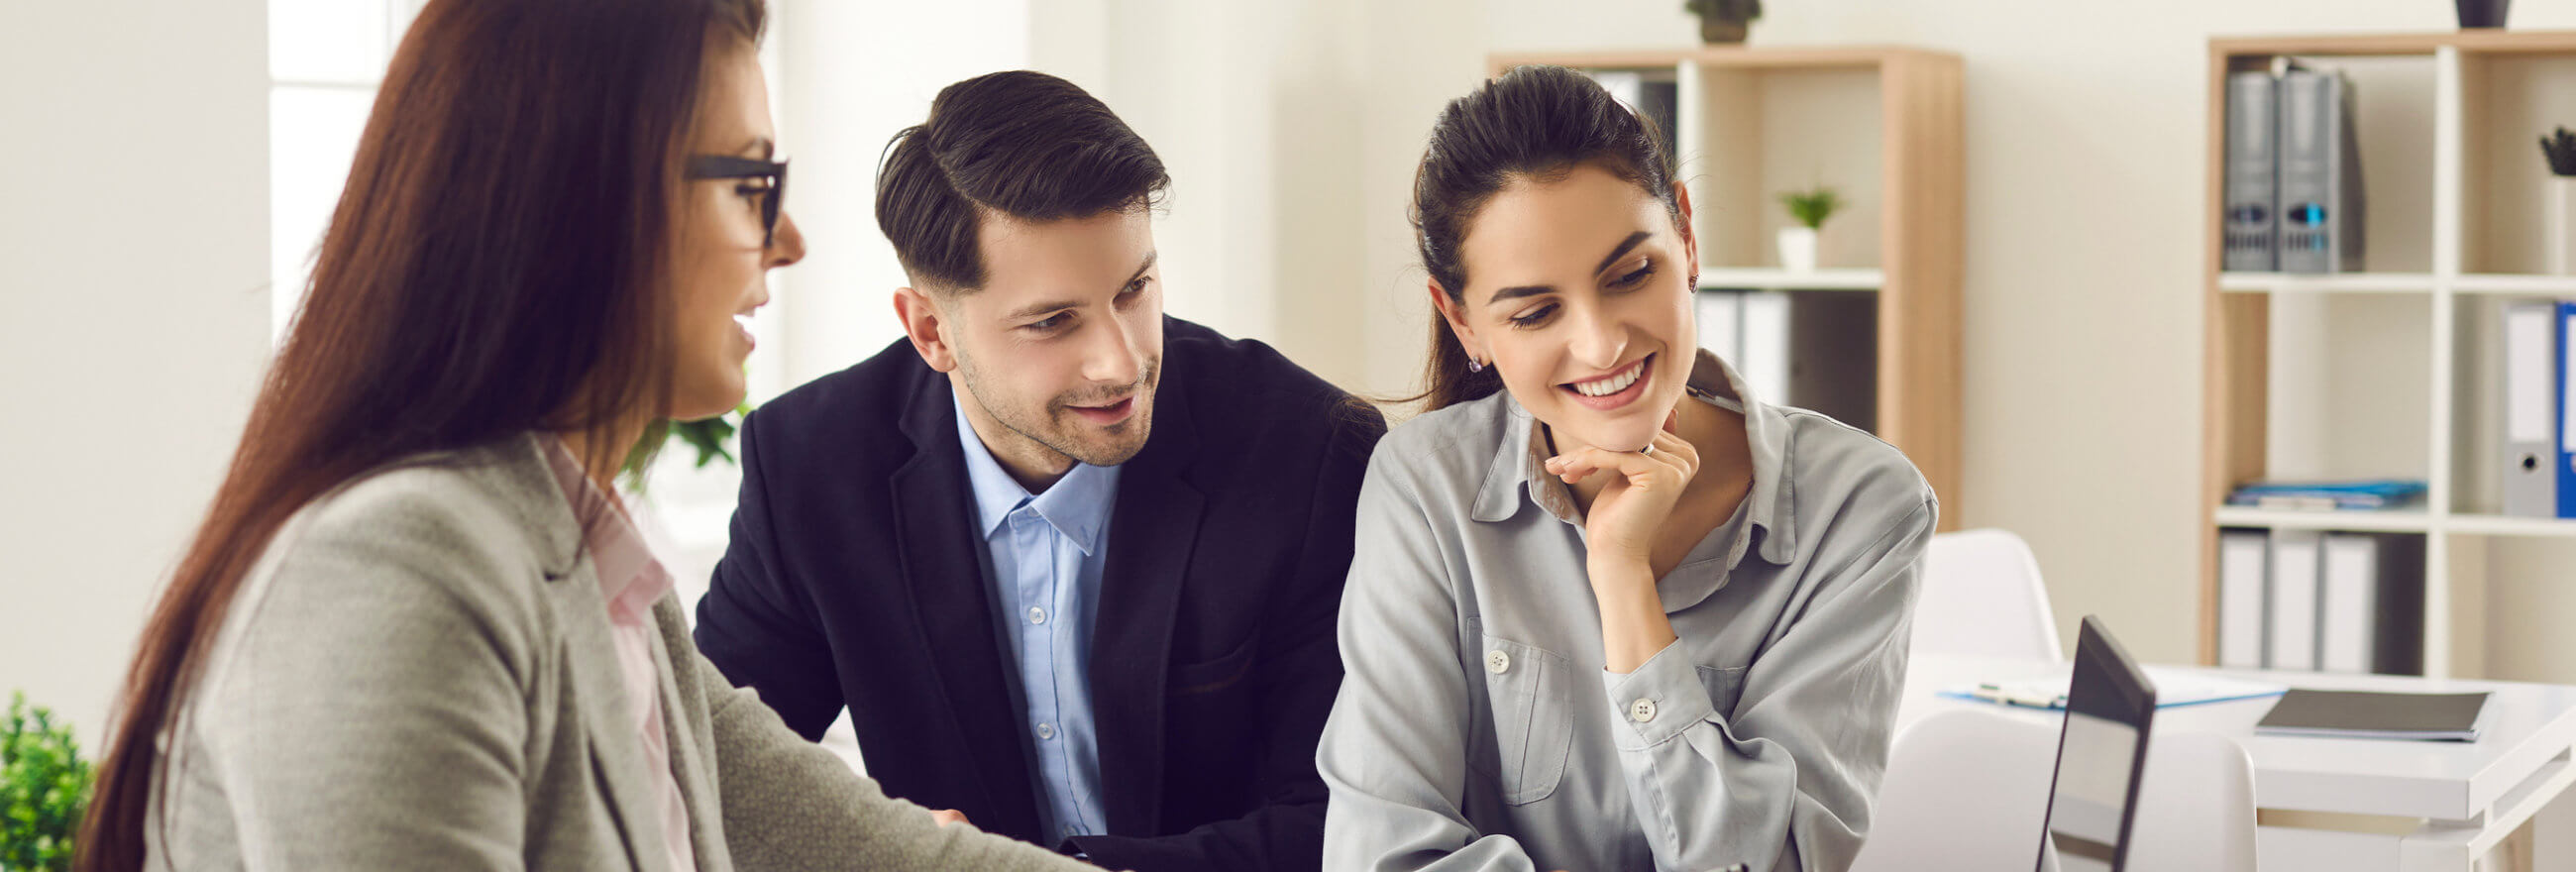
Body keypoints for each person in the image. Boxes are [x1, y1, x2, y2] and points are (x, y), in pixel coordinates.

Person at [75, 2, 1094, 869]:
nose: (788, 241)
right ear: (587, 196)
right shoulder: (394, 566)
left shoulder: (594, 568)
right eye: (749, 183)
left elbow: (870, 847)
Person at [691, 70, 1379, 871]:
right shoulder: (810, 468)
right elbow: (700, 778)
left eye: (1135, 289)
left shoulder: (1309, 450)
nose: (1121, 361)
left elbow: (1347, 824)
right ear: (930, 332)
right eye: (1052, 322)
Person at [1316, 64, 1935, 872]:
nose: (1603, 344)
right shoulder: (1424, 485)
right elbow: (1384, 850)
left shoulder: (1861, 506)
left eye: (1630, 274)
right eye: (1537, 312)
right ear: (1463, 321)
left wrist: (1623, 581)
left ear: (1685, 233)